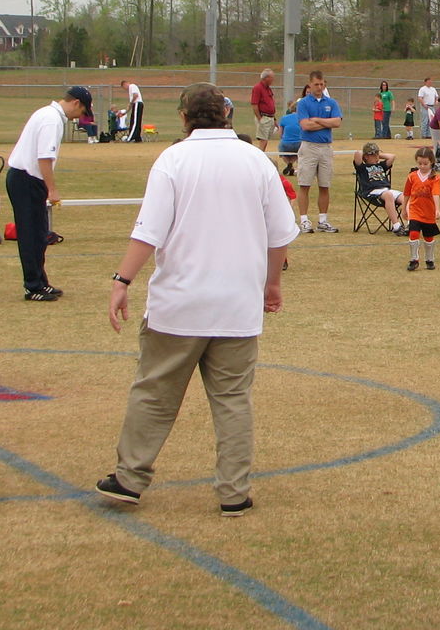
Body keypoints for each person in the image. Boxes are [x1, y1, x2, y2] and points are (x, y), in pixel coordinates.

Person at [97, 83, 298, 514]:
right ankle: (234, 492)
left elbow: (148, 231)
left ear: (184, 117)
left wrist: (122, 280)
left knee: (153, 393)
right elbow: (280, 233)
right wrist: (272, 284)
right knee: (232, 402)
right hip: (237, 307)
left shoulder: (173, 159)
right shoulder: (255, 161)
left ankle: (130, 478)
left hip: (178, 307)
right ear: (227, 115)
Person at [5, 85, 91, 301]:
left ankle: (41, 281)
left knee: (40, 232)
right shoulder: (51, 119)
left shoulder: (47, 114)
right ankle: (32, 286)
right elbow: (44, 158)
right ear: (76, 103)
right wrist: (52, 189)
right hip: (27, 179)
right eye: (81, 112)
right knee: (30, 234)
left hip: (29, 179)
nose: (78, 117)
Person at [295, 70, 342, 233]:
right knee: (305, 184)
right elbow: (305, 126)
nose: (319, 87)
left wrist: (318, 120)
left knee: (324, 185)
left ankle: (323, 220)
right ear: (310, 84)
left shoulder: (332, 103)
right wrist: (326, 123)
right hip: (309, 147)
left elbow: (337, 122)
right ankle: (304, 220)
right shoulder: (303, 103)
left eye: (322, 84)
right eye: (316, 84)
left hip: (325, 147)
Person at [402, 146, 440, 271]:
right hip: (415, 210)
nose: (422, 166)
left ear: (431, 162)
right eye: (419, 163)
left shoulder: (435, 178)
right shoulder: (412, 176)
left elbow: (435, 194)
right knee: (413, 233)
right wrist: (404, 208)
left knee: (428, 237)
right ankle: (414, 259)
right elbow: (407, 193)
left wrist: (437, 209)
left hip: (428, 211)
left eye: (425, 163)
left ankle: (429, 259)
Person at [353, 142, 406, 235]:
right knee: (389, 195)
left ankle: (410, 224)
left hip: (386, 190)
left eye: (377, 154)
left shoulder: (381, 166)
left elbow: (392, 156)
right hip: (372, 192)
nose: (377, 156)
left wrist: (377, 155)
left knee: (406, 197)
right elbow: (357, 154)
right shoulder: (362, 168)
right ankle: (397, 226)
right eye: (374, 154)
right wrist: (366, 153)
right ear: (366, 156)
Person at [250, 69, 277, 150]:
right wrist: (259, 118)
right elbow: (254, 104)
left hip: (270, 117)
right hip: (263, 117)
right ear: (266, 78)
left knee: (266, 139)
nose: (273, 79)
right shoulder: (258, 88)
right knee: (263, 140)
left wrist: (274, 119)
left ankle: (262, 154)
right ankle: (260, 156)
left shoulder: (268, 88)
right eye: (272, 77)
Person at [278, 99, 302, 176]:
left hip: (286, 143)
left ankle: (289, 164)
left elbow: (280, 133)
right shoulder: (302, 118)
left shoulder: (284, 118)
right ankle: (291, 163)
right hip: (299, 143)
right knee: (298, 153)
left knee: (282, 150)